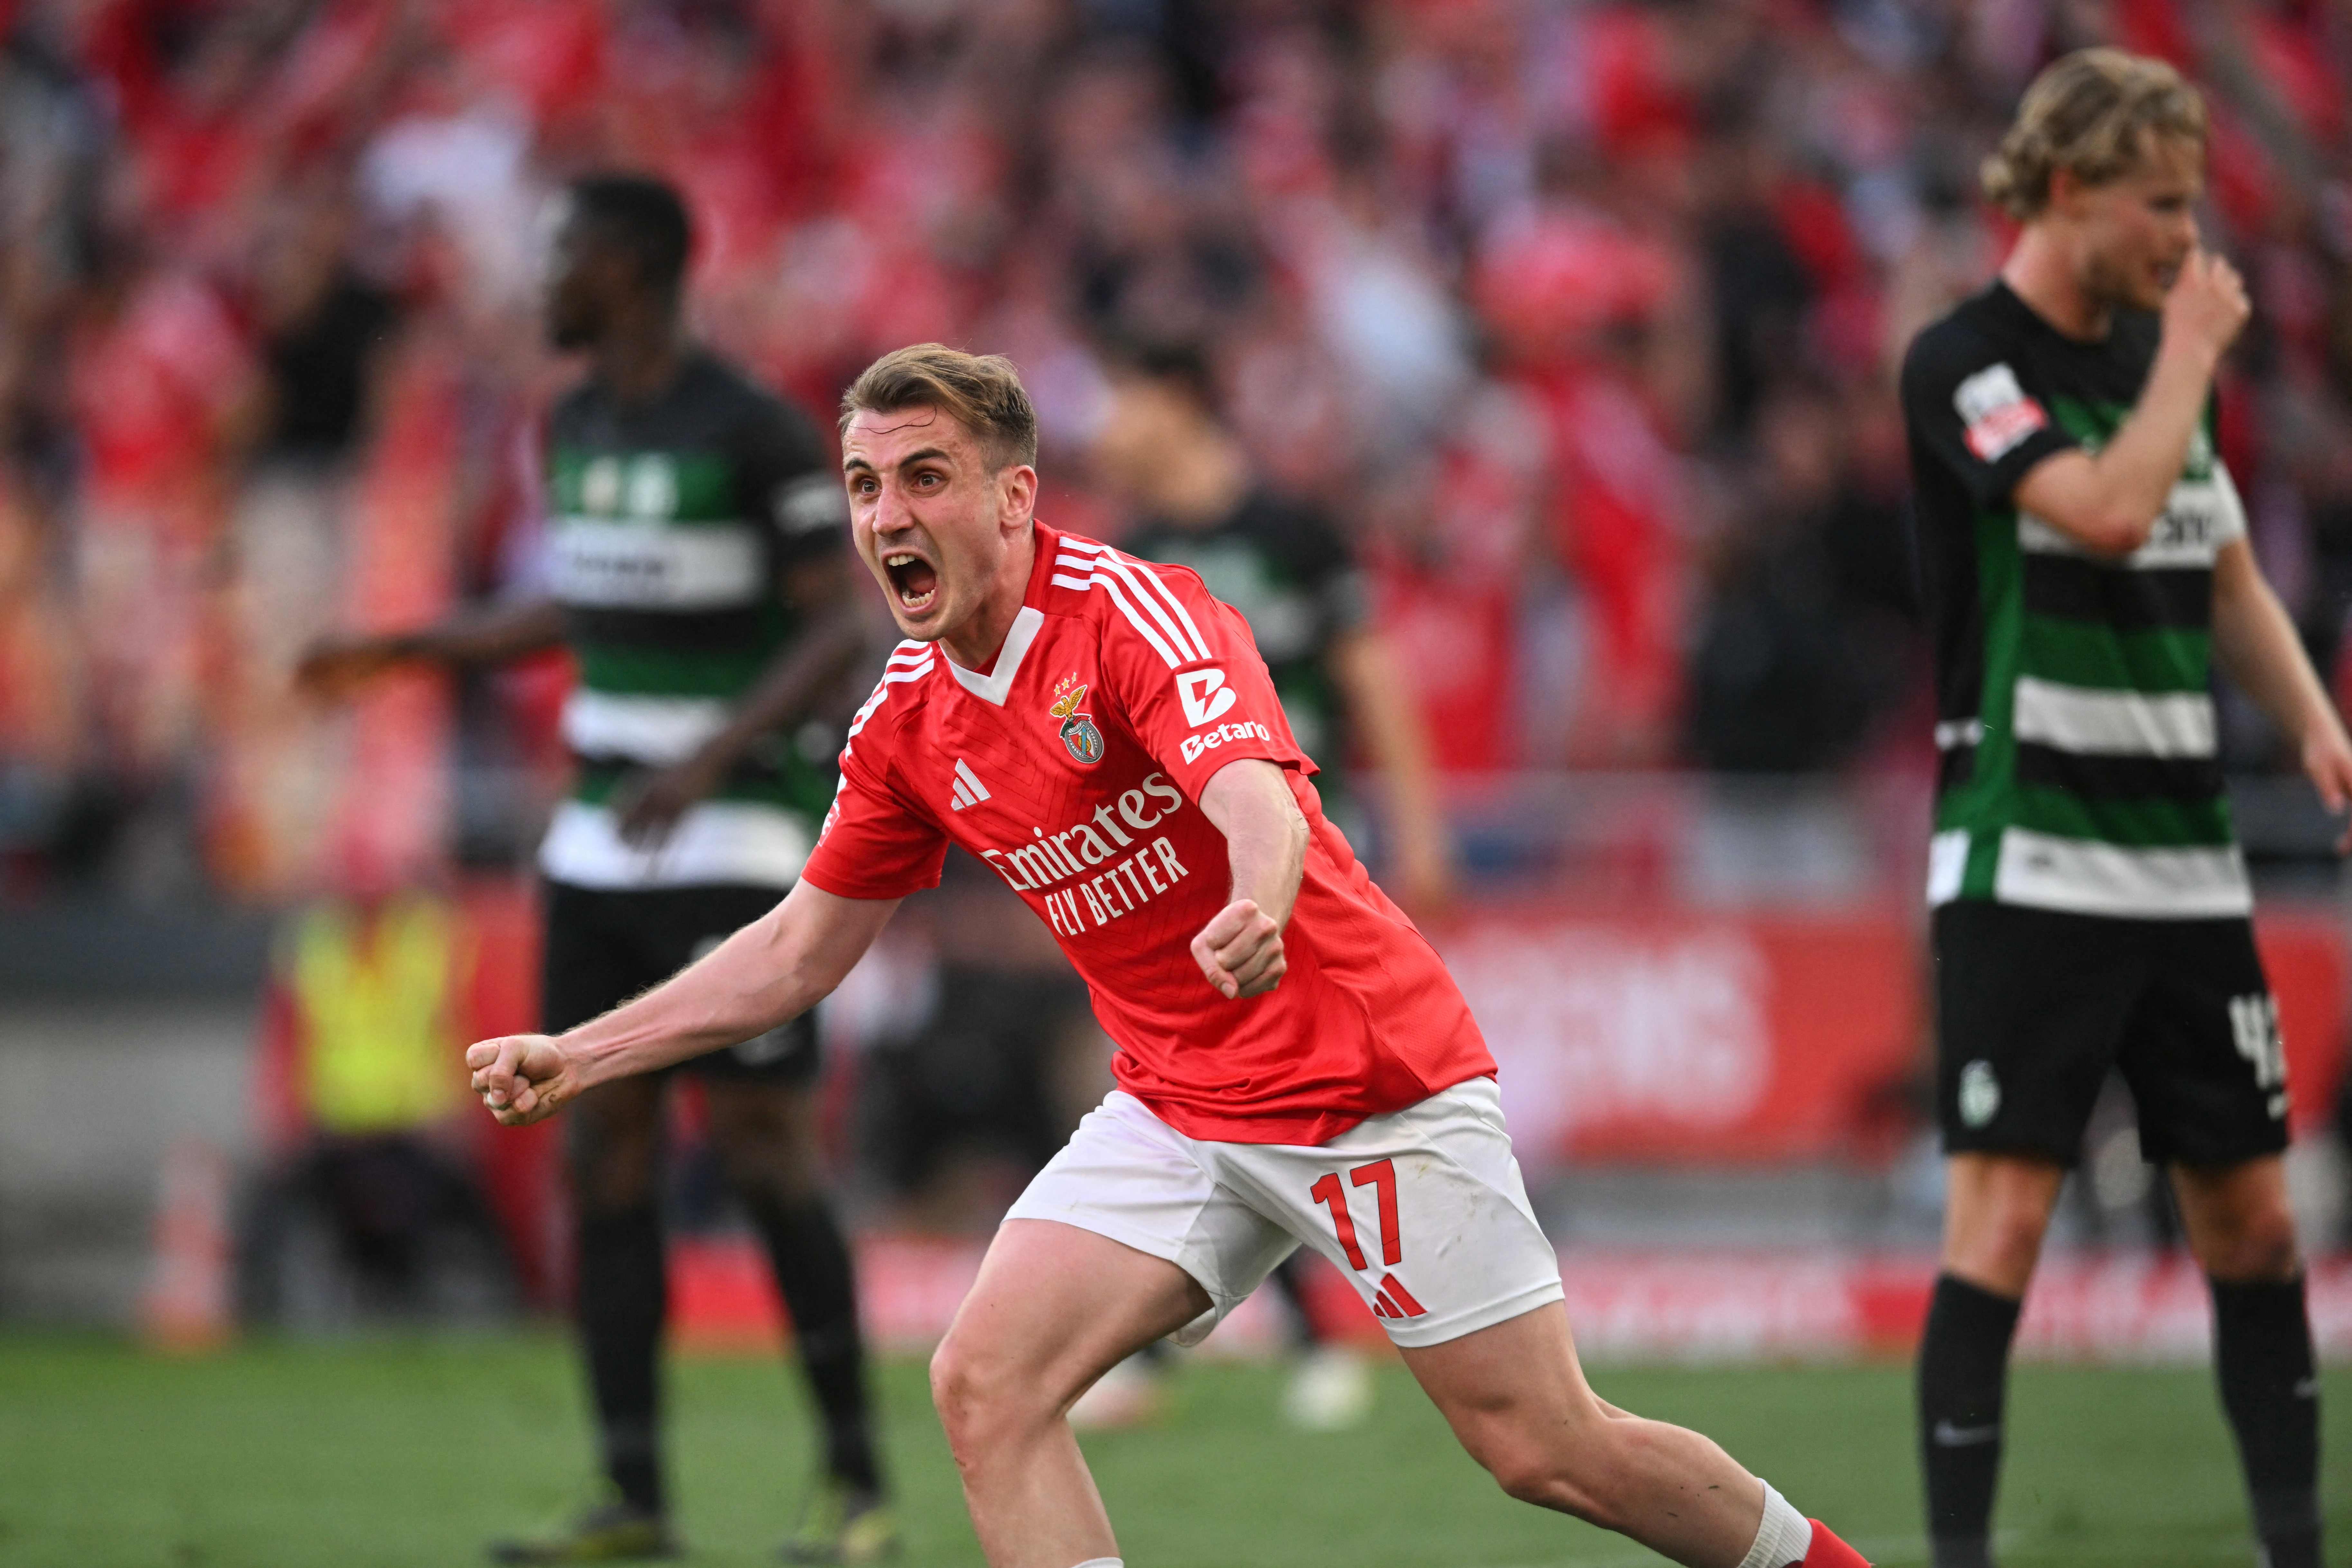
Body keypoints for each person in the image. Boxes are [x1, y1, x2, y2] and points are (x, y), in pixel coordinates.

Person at [464, 343, 1872, 1568]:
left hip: (1357, 1081)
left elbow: (1253, 792)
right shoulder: (903, 716)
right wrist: (580, 1052)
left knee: (1549, 1449)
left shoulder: (1136, 614)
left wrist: (1257, 899)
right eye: (864, 485)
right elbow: (790, 955)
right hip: (1181, 1103)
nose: (887, 514)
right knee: (988, 1382)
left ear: (1016, 496)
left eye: (926, 478)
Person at [299, 174, 892, 1564]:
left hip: (737, 839)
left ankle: (856, 1486)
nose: (548, 280)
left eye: (567, 255)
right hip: (593, 850)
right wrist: (408, 651)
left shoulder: (751, 429)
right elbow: (585, 598)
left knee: (761, 1153)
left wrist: (708, 755)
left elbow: (836, 631)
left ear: (627, 270)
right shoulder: (571, 421)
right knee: (601, 1155)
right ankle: (634, 1498)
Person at [1899, 50, 2334, 1568]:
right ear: (2069, 190)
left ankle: (2295, 1547)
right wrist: (2187, 362)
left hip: (2183, 863)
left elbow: (2216, 566)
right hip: (2030, 856)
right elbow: (2103, 507)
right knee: (2001, 1228)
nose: (2185, 237)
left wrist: (2318, 724)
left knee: (2256, 1227)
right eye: (2160, 205)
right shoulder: (1964, 359)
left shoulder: (2156, 359)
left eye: (2193, 205)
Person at [1083, 343, 1461, 1429]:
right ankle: (1220, 1336)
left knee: (1288, 1094)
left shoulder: (1293, 532)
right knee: (1213, 1091)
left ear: (1180, 395)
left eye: (1124, 390)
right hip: (1174, 872)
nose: (1105, 423)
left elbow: (1374, 683)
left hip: (1308, 855)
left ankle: (1254, 1334)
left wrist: (1426, 834)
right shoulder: (1133, 556)